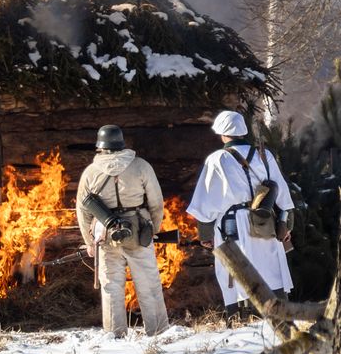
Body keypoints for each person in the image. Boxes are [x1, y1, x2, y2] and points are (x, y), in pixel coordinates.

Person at [187, 110, 294, 322]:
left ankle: (242, 318)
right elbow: (283, 195)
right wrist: (286, 224)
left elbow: (205, 201)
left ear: (222, 134)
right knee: (269, 265)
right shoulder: (265, 155)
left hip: (232, 224)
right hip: (265, 221)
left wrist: (205, 234)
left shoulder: (217, 159)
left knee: (237, 269)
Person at [76, 124, 170, 337]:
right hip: (138, 230)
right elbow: (156, 202)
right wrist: (153, 229)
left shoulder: (90, 172)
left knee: (111, 287)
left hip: (106, 233)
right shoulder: (141, 166)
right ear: (121, 143)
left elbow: (83, 210)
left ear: (100, 146)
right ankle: (158, 331)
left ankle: (115, 333)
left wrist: (89, 241)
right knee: (148, 284)